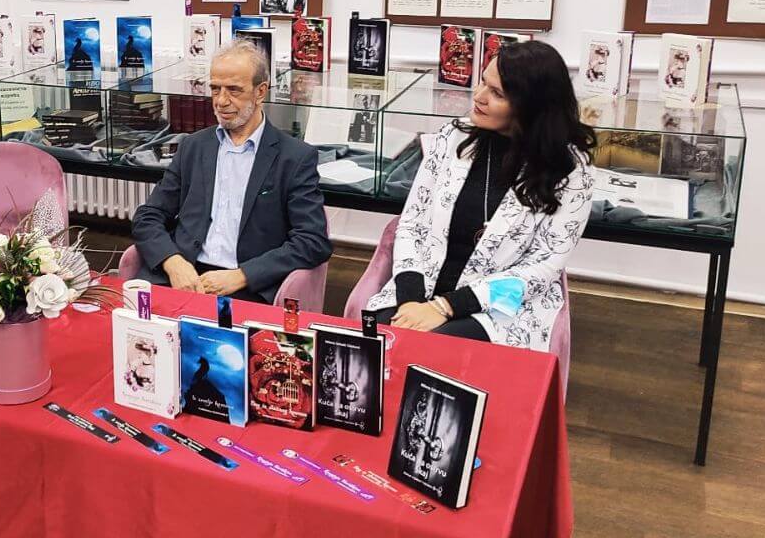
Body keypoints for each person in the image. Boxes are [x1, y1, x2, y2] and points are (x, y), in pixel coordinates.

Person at [363, 41, 596, 352]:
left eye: (497, 93)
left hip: (501, 305)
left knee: (435, 351)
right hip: (421, 286)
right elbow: (412, 223)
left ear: (533, 106)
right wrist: (411, 301)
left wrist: (445, 307)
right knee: (378, 342)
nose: (479, 96)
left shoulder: (571, 170)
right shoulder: (453, 137)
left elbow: (544, 266)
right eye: (483, 81)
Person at [131, 39, 332, 303]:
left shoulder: (294, 158)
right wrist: (173, 262)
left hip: (246, 286)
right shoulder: (193, 146)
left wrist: (242, 276)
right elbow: (148, 216)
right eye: (215, 89)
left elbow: (312, 240)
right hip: (182, 276)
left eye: (234, 90)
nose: (221, 101)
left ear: (260, 92)